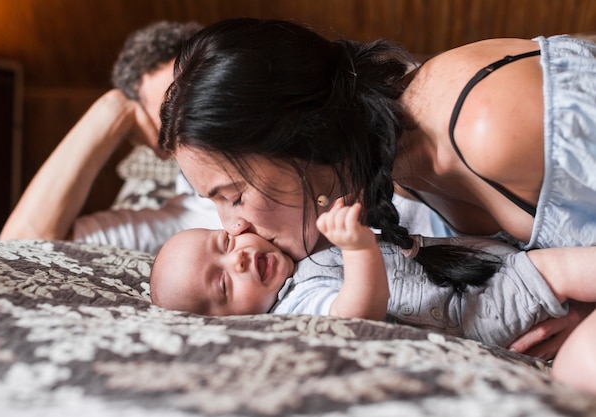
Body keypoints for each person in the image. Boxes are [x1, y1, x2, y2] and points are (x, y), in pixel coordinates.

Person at [158, 17, 596, 358]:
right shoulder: (391, 182)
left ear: (303, 144)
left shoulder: (488, 130)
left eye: (234, 196)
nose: (235, 227)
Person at [149, 198, 595, 393]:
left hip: (477, 271)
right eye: (224, 283)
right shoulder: (292, 309)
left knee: (559, 265)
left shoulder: (290, 251)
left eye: (225, 245)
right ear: (227, 322)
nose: (240, 260)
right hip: (476, 307)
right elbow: (355, 315)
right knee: (560, 269)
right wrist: (358, 248)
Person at [0, 20, 221, 254]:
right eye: (170, 118)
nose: (200, 115)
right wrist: (113, 110)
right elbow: (20, 246)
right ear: (159, 144)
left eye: (196, 92)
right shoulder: (188, 217)